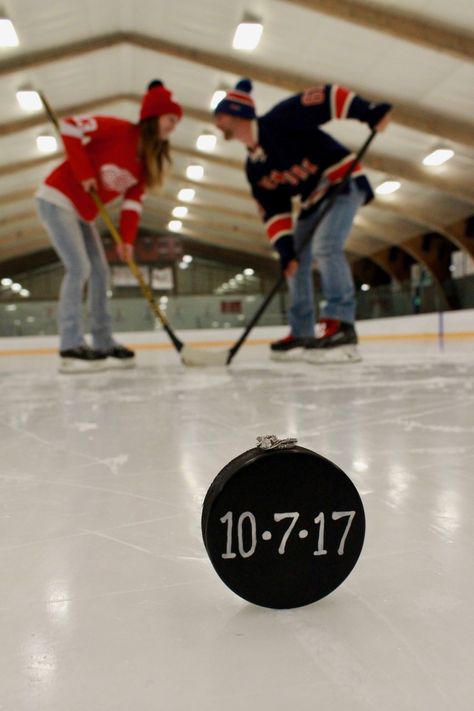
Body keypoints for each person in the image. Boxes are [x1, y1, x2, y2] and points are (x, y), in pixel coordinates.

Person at [214, 79, 391, 363]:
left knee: (326, 245)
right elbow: (274, 211)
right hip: (313, 199)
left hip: (341, 180)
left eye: (221, 114)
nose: (217, 121)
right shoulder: (254, 167)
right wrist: (285, 250)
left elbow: (326, 97)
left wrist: (368, 112)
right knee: (293, 262)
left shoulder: (279, 121)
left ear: (238, 114)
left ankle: (341, 324)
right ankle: (302, 332)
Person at [36, 80, 182, 373]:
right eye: (170, 119)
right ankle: (70, 344)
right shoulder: (119, 130)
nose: (173, 127)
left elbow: (132, 206)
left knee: (101, 271)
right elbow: (70, 126)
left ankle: (102, 341)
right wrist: (83, 171)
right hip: (58, 198)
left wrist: (126, 239)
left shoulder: (143, 164)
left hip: (82, 212)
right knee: (79, 267)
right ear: (153, 117)